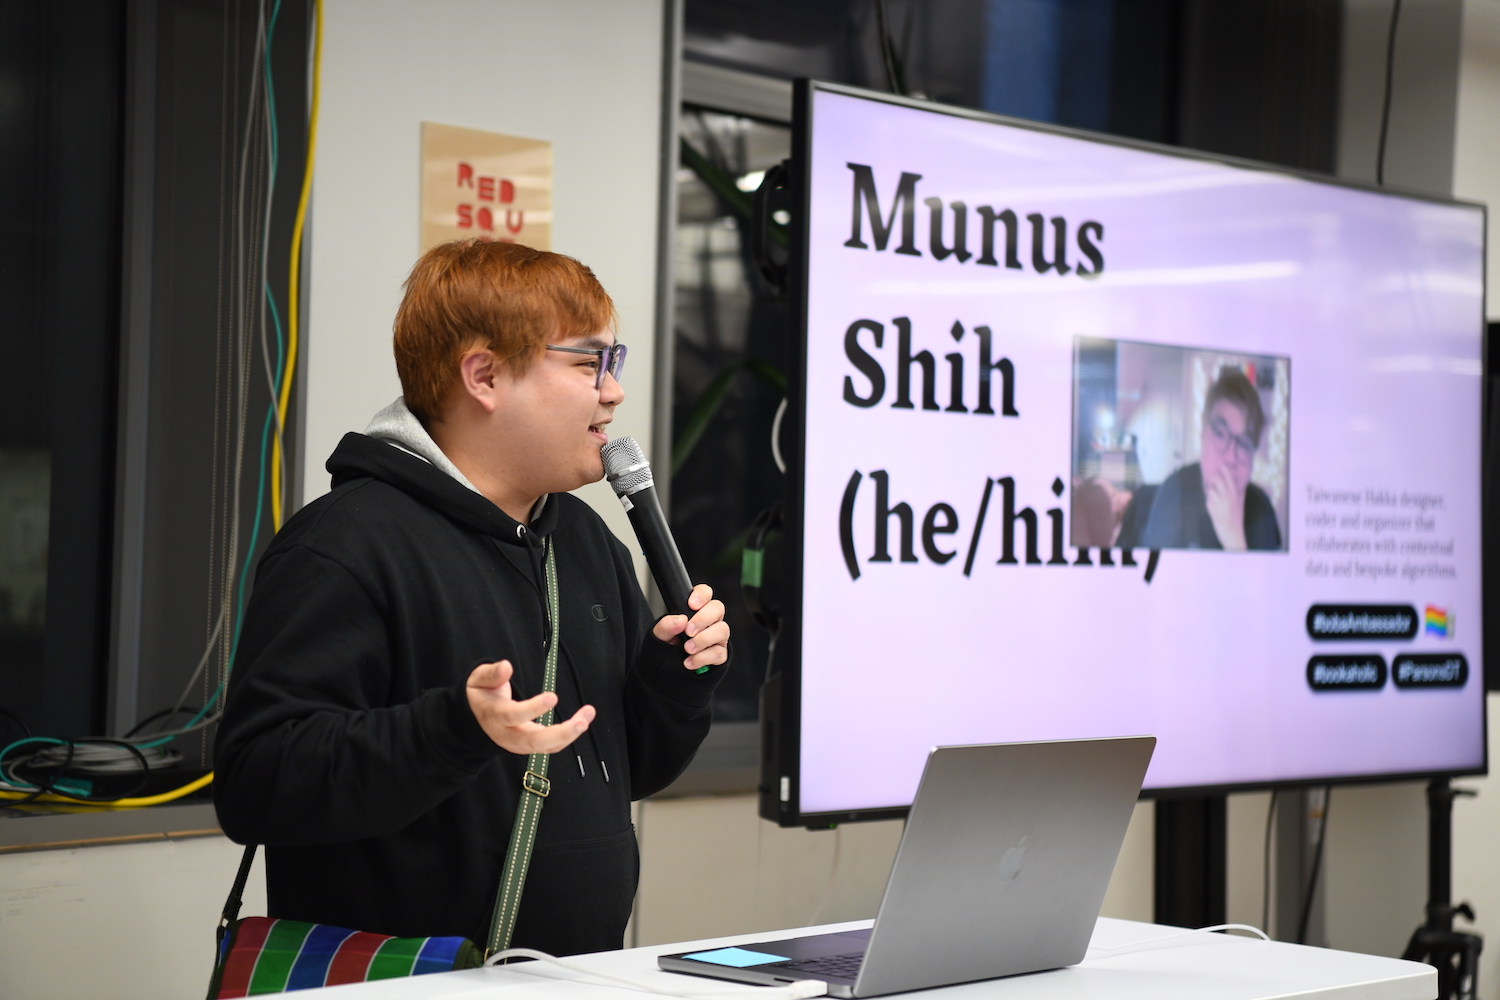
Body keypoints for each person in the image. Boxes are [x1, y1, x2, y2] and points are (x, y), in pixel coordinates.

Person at [213, 239, 729, 956]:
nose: (613, 392)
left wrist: (672, 684)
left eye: (615, 363)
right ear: (484, 375)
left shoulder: (583, 541)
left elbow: (628, 773)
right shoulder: (344, 546)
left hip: (579, 976)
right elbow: (256, 785)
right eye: (588, 363)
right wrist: (452, 729)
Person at [1137, 366, 1282, 551]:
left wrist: (1234, 539)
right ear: (1202, 433)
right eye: (1220, 434)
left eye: (1244, 444)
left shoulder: (1261, 508)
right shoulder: (1175, 492)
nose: (1231, 457)